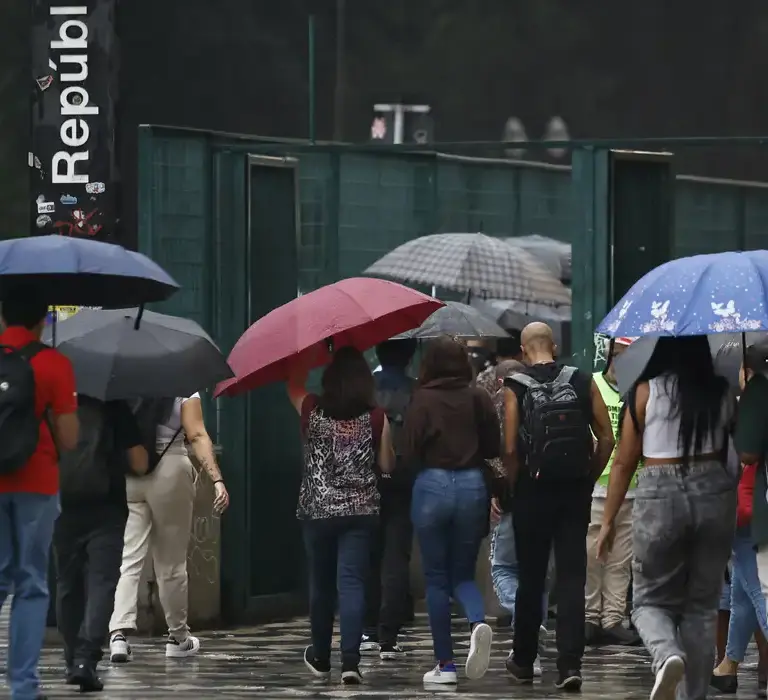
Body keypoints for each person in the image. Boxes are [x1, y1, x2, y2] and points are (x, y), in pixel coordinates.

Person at [598, 335, 736, 700]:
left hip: (661, 493)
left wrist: (608, 520)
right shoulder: (721, 392)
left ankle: (666, 655)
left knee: (649, 602)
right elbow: (730, 453)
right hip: (714, 491)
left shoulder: (644, 391)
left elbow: (624, 462)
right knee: (701, 608)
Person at [503, 322, 614, 691]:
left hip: (531, 493)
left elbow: (509, 448)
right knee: (571, 577)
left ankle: (523, 659)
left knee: (531, 577)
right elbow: (607, 438)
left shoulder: (515, 386)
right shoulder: (582, 380)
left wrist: (515, 484)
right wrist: (588, 477)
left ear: (523, 351)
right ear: (553, 346)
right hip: (573, 492)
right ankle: (569, 665)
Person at [287, 346, 394, 685]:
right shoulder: (376, 417)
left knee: (321, 585)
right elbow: (387, 464)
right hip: (360, 512)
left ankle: (320, 657)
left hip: (317, 511)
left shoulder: (311, 409)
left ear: (330, 379)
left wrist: (309, 354)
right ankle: (350, 662)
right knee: (351, 584)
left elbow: (292, 384)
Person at [403, 336, 500, 687]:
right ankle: (477, 622)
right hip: (472, 485)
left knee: (436, 580)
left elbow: (408, 450)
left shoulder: (422, 398)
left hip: (432, 484)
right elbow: (493, 446)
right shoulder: (478, 397)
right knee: (463, 575)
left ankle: (445, 665)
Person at [109, 394, 229, 662]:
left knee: (129, 558)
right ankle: (178, 637)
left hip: (131, 468)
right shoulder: (183, 385)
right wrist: (217, 479)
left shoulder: (126, 381)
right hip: (170, 466)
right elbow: (196, 434)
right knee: (171, 562)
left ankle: (118, 635)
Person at [0, 296, 79, 700]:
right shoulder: (54, 363)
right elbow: (70, 437)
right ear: (43, 321)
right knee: (31, 583)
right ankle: (23, 688)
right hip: (37, 482)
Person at [54, 397, 148, 692]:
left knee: (66, 584)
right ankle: (86, 659)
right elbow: (140, 463)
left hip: (62, 505)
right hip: (107, 509)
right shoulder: (114, 406)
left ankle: (72, 660)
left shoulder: (51, 404)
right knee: (102, 583)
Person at [488, 359, 552, 677]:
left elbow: (500, 453)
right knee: (536, 574)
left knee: (502, 568)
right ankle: (530, 647)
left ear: (501, 382)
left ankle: (525, 616)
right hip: (547, 493)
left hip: (512, 496)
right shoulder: (546, 397)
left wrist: (497, 491)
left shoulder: (500, 405)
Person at [585, 337, 640, 646]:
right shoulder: (592, 384)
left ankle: (613, 619)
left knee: (620, 559)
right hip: (598, 484)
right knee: (592, 555)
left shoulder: (641, 389)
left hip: (633, 486)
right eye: (619, 355)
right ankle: (590, 616)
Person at [364, 339, 417, 659]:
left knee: (369, 554)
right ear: (410, 356)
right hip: (404, 480)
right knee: (397, 556)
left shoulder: (365, 388)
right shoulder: (416, 390)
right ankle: (389, 633)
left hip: (366, 479)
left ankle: (368, 628)